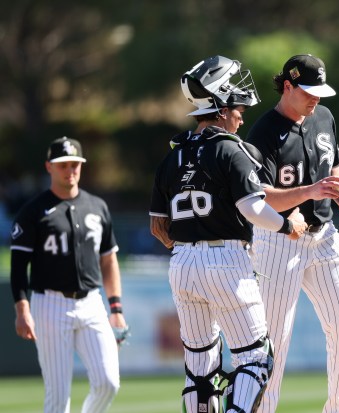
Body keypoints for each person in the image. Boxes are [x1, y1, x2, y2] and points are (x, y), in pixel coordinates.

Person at [149, 56, 307, 413]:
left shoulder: (172, 157)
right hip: (226, 262)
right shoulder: (231, 150)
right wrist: (288, 225)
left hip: (182, 264)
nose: (241, 114)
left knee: (199, 371)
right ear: (220, 108)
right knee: (255, 359)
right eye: (237, 107)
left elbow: (158, 227)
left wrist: (191, 242)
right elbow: (252, 209)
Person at [245, 54, 339, 413]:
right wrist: (310, 191)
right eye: (308, 91)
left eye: (320, 91)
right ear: (288, 86)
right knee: (274, 338)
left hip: (324, 236)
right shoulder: (263, 131)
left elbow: (334, 166)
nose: (316, 99)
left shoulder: (323, 116)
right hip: (279, 240)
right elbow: (259, 197)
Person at [10, 136, 127, 413]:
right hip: (50, 303)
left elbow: (109, 260)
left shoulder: (97, 207)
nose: (70, 170)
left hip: (91, 302)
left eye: (75, 164)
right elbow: (18, 267)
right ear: (49, 167)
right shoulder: (33, 212)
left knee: (109, 382)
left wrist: (116, 306)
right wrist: (22, 309)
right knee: (58, 396)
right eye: (63, 165)